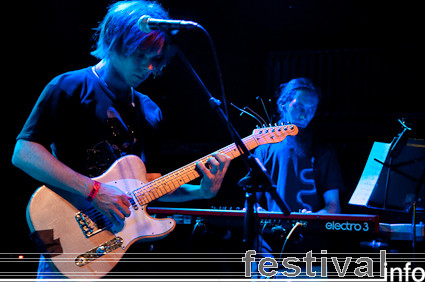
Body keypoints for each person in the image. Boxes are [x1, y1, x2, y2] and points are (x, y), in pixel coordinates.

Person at [11, 0, 231, 279]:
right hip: (69, 240)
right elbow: (24, 152)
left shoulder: (149, 110)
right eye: (141, 55)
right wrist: (94, 190)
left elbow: (147, 183)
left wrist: (201, 192)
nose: (149, 67)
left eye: (156, 59)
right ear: (117, 42)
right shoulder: (68, 87)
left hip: (123, 253)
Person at [249, 78, 343, 278]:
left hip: (312, 250)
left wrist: (314, 217)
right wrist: (266, 218)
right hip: (268, 248)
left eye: (312, 109)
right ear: (284, 104)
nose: (305, 114)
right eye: (299, 106)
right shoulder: (264, 146)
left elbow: (334, 206)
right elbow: (253, 203)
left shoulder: (324, 150)